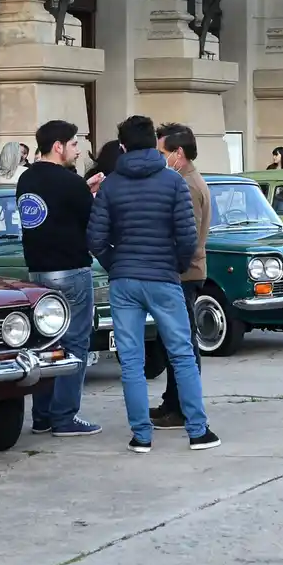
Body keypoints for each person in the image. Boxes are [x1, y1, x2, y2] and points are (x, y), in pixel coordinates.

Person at [87, 115, 219, 453]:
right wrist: (172, 266)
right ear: (153, 144)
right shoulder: (173, 182)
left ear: (123, 146)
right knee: (182, 355)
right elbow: (187, 238)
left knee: (131, 361)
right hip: (163, 278)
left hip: (125, 281)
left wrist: (116, 264)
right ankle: (197, 431)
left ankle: (141, 436)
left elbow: (96, 237)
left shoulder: (112, 184)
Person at [18, 120, 100, 438]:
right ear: (58, 146)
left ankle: (42, 416)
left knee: (44, 344)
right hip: (71, 270)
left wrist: (83, 188)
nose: (77, 150)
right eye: (75, 144)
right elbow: (89, 221)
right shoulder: (69, 182)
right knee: (75, 343)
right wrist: (88, 192)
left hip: (37, 272)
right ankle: (65, 416)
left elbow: (50, 213)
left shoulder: (26, 179)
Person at [150, 123, 211, 428]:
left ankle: (183, 407)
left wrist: (170, 266)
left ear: (179, 153)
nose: (160, 158)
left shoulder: (186, 185)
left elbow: (186, 238)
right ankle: (172, 401)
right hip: (183, 272)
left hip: (183, 274)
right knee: (173, 341)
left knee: (182, 344)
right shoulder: (184, 180)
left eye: (163, 152)